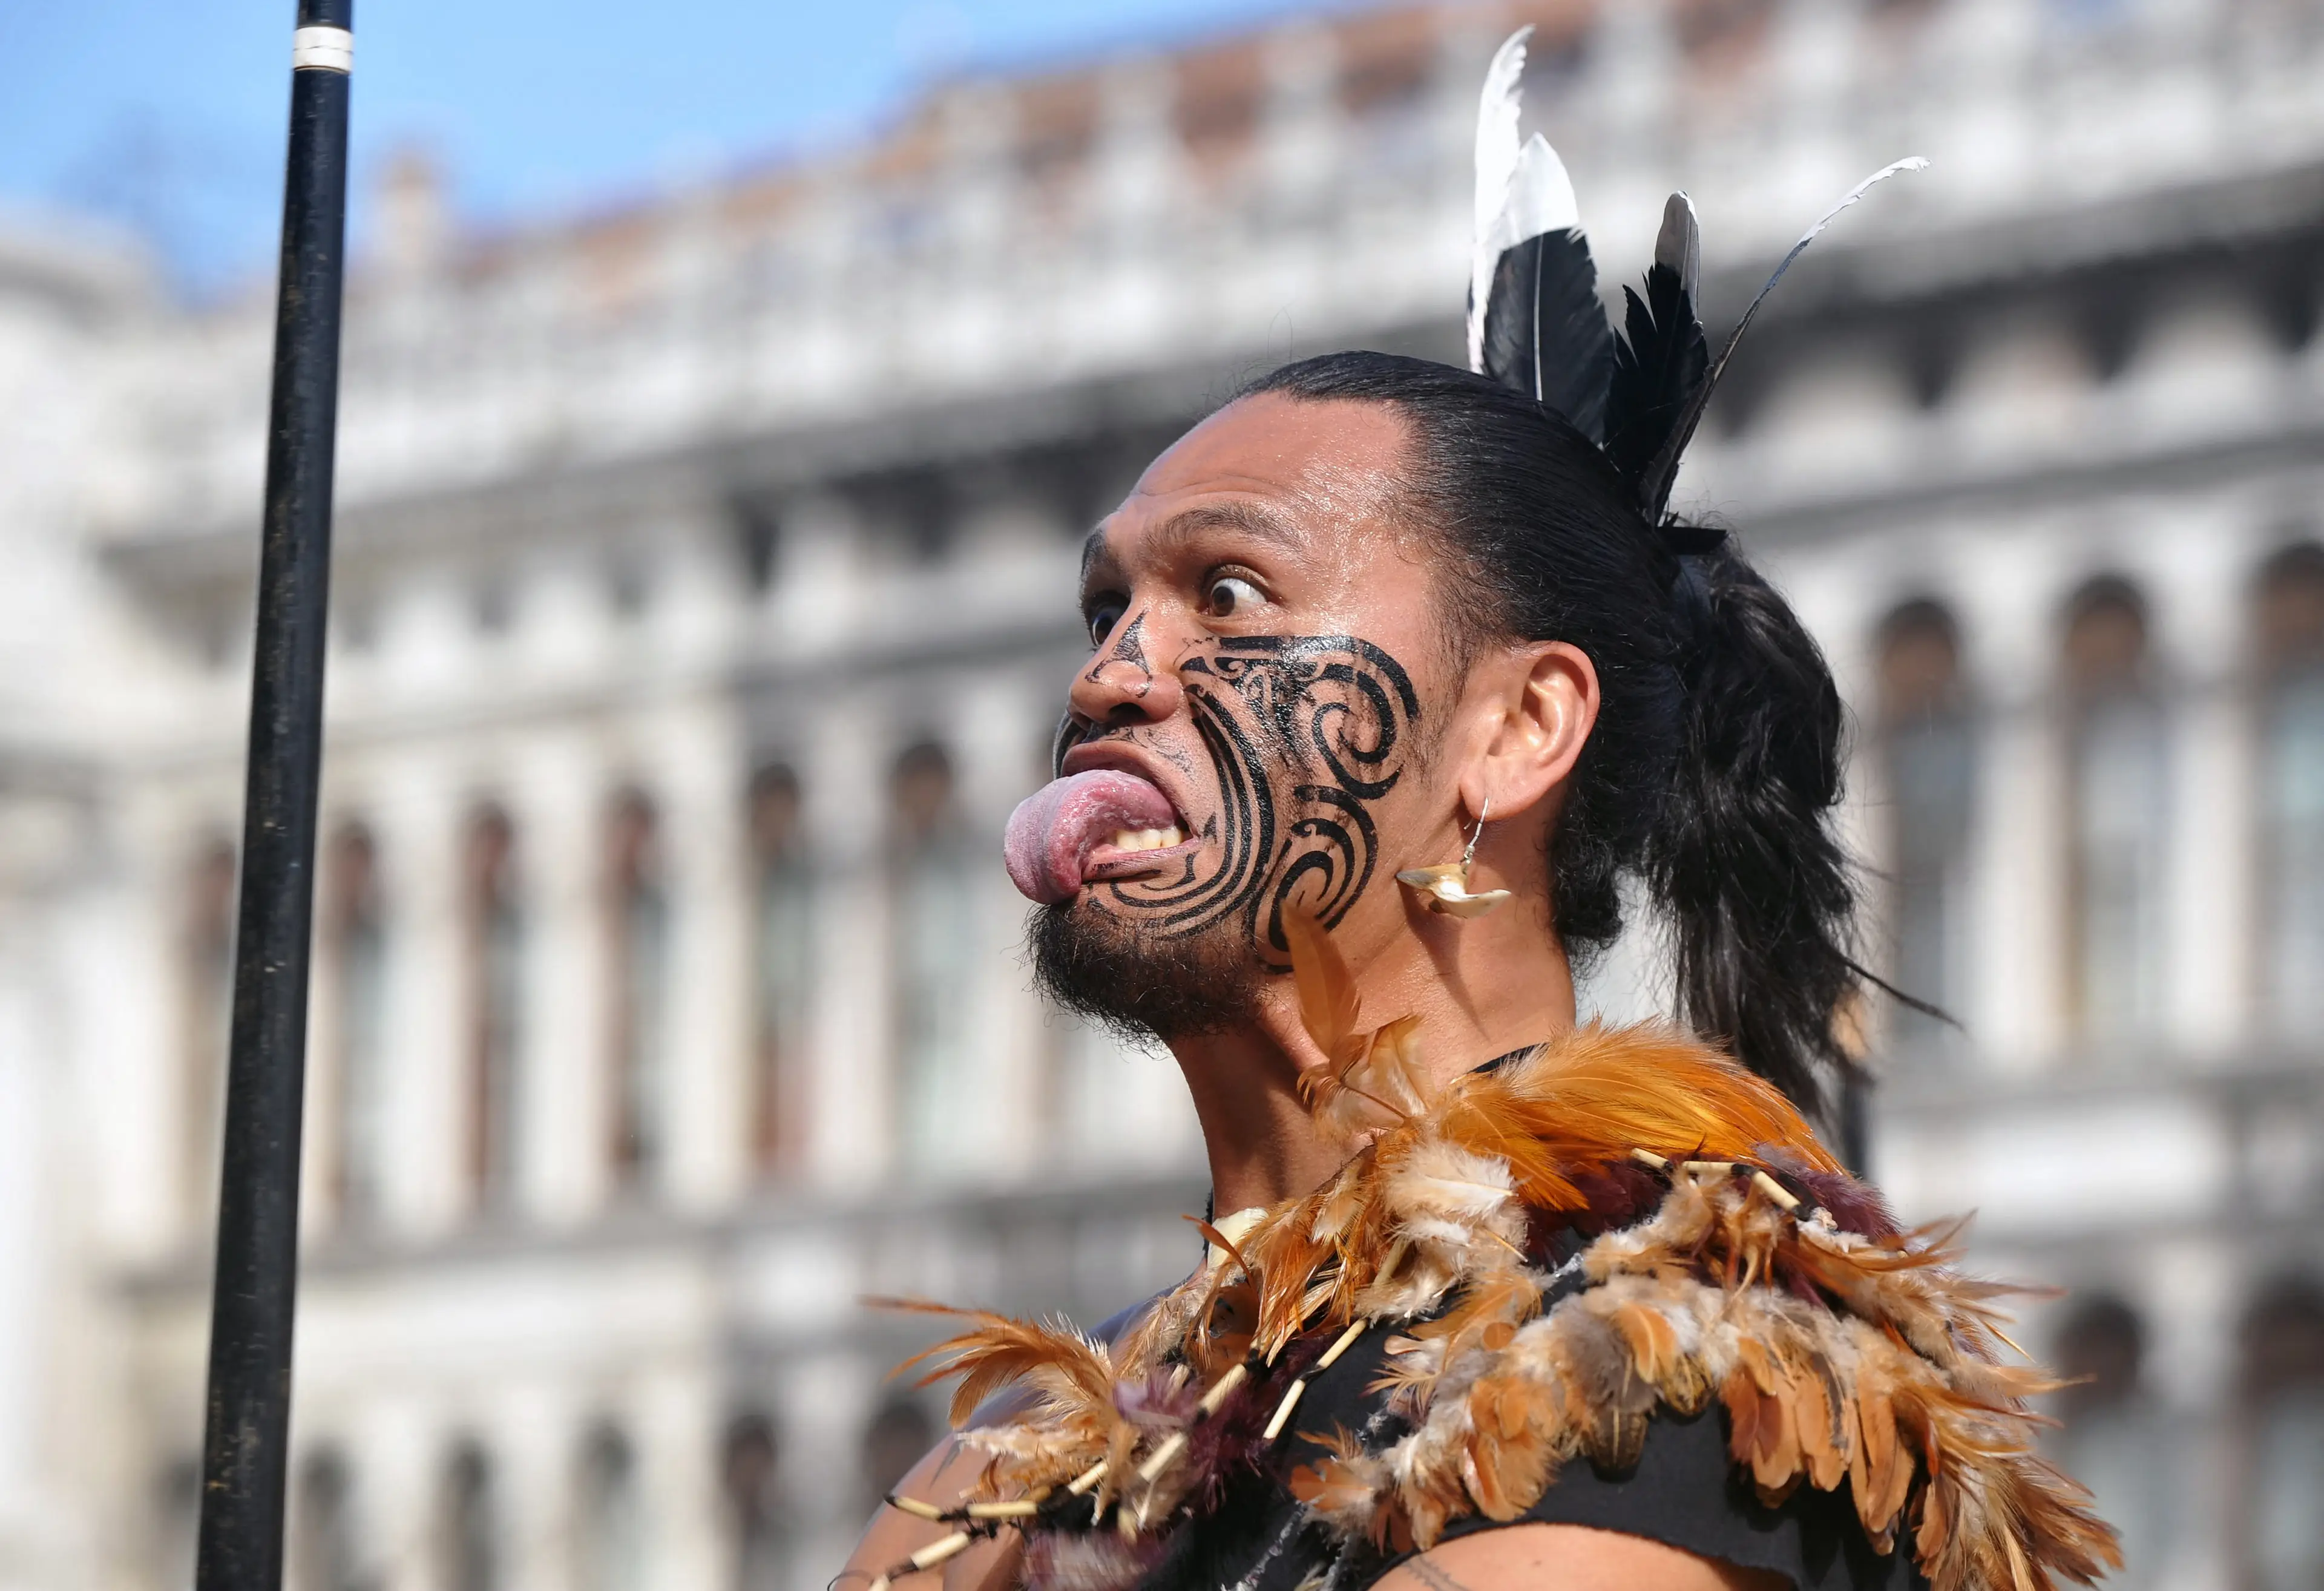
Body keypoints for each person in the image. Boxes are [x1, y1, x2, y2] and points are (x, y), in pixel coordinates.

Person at [840, 31, 2118, 1591]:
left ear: (1516, 731)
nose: (1114, 671)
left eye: (1226, 594)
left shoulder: (1656, 1367)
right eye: (1108, 601)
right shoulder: (1013, 1470)